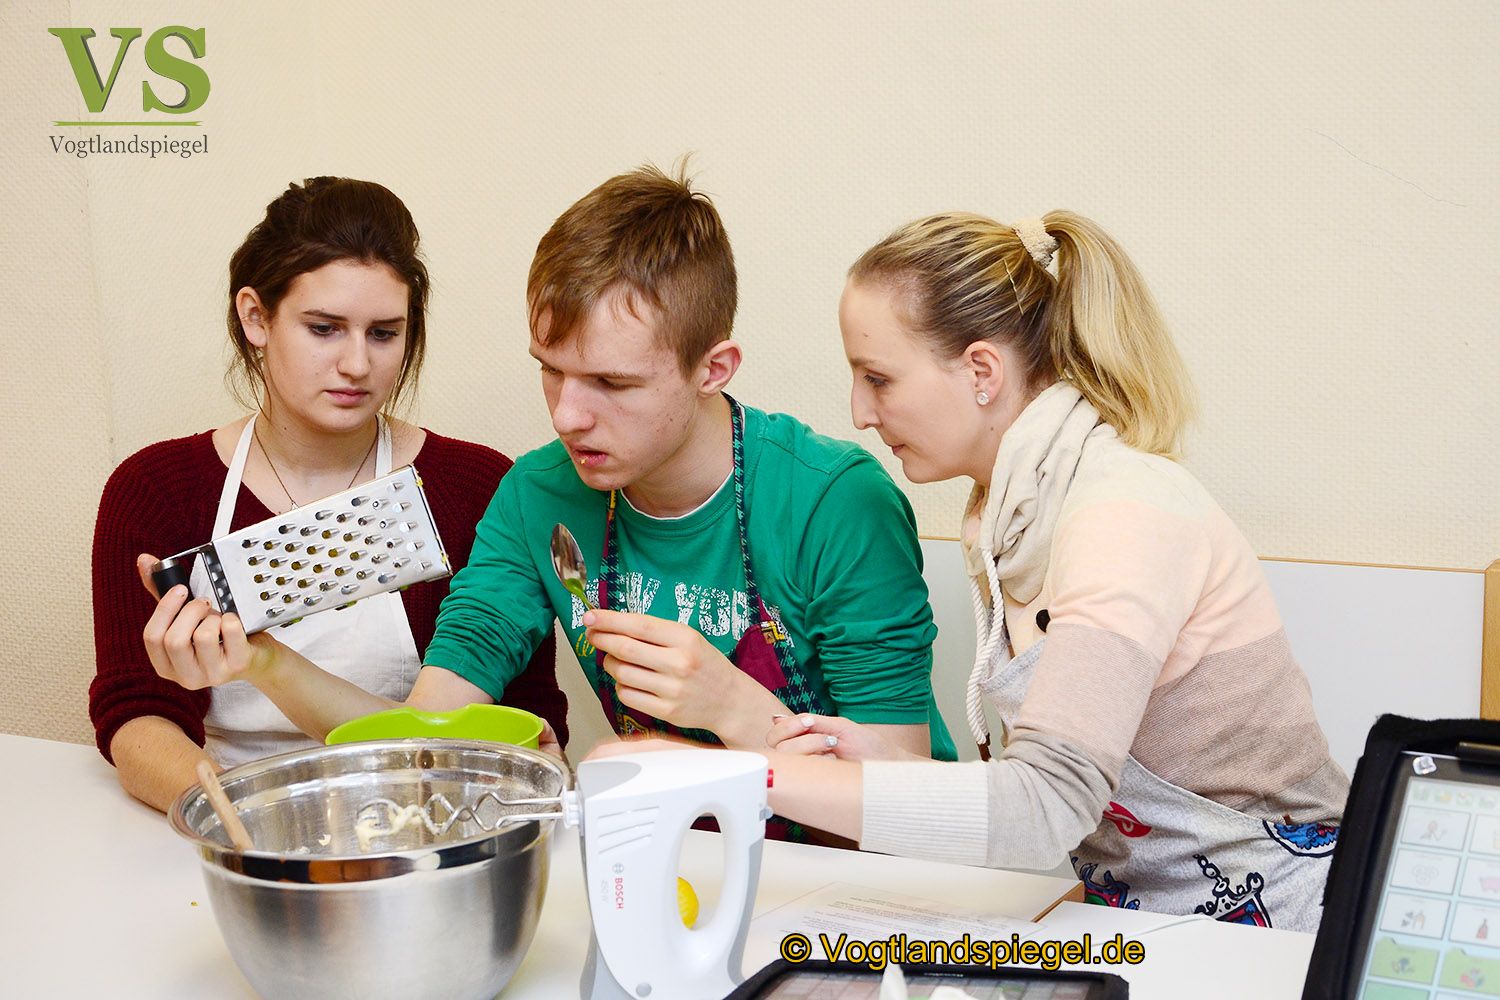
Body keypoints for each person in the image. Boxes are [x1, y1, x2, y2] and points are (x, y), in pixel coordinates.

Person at [137, 165, 956, 838]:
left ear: (714, 368)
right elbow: (426, 739)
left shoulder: (834, 501)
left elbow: (905, 810)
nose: (567, 416)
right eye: (550, 370)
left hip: (864, 881)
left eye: (611, 383)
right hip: (677, 857)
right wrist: (264, 661)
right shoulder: (537, 495)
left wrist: (737, 711)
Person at [606, 210, 1348, 930]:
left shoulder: (1124, 513)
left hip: (1280, 929)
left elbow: (1044, 806)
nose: (860, 412)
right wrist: (872, 762)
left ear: (982, 371)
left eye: (878, 378)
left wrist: (727, 773)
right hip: (1145, 911)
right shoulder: (1016, 514)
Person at [90, 177, 565, 812]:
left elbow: (525, 721)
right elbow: (137, 717)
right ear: (256, 317)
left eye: (383, 333)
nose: (357, 365)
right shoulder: (155, 489)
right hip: (226, 818)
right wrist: (247, 823)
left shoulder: (476, 487)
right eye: (324, 328)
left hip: (427, 816)